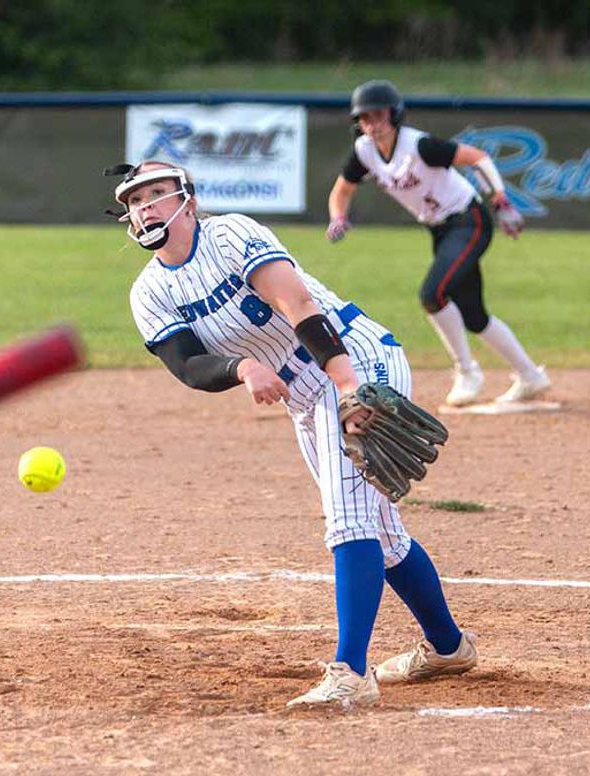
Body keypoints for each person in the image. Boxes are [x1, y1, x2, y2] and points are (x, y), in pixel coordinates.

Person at [107, 160, 478, 708]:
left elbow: (298, 304)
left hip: (354, 363)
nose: (146, 207)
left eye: (159, 194)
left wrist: (349, 387)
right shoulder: (148, 292)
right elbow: (187, 366)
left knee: (349, 518)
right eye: (136, 201)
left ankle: (350, 673)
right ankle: (448, 647)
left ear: (187, 199)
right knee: (382, 531)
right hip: (302, 396)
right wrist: (241, 369)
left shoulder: (231, 234)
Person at [326, 79, 551, 407]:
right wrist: (338, 217)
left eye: (378, 115)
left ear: (394, 114)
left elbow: (478, 158)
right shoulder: (364, 151)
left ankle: (468, 372)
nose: (372, 124)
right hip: (440, 230)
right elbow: (342, 190)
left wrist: (501, 199)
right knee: (475, 315)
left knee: (433, 294)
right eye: (364, 117)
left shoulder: (418, 145)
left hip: (468, 220)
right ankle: (531, 376)